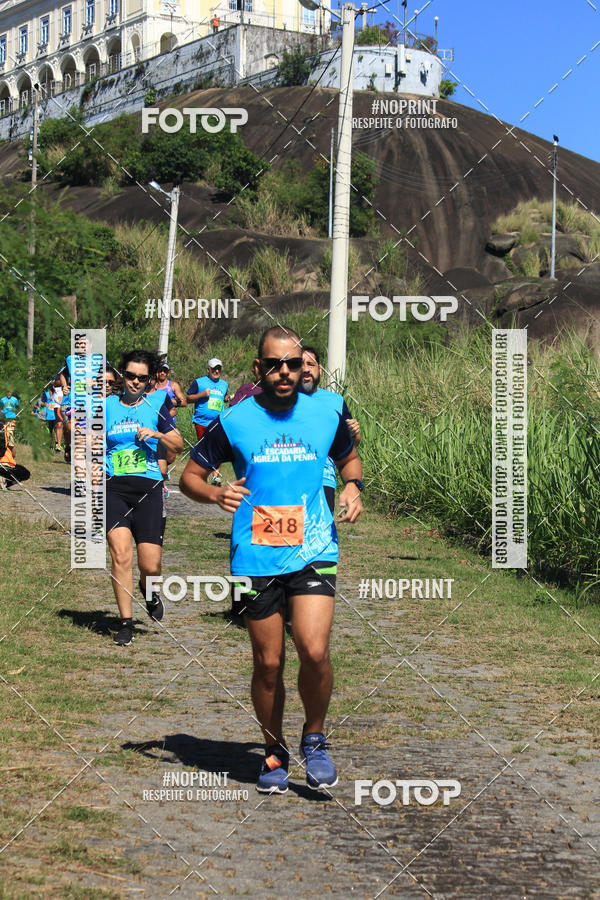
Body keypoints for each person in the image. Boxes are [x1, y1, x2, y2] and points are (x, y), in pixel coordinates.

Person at [180, 326, 364, 794]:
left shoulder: (326, 411)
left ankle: (315, 738)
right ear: (259, 369)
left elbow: (349, 457)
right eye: (274, 364)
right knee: (267, 662)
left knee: (315, 649)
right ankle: (273, 749)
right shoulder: (235, 420)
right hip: (253, 556)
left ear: (304, 365)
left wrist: (352, 486)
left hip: (315, 548)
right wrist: (215, 493)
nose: (285, 372)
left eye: (293, 362)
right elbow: (190, 478)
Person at [106, 350, 183, 646]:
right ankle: (125, 622)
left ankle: (149, 591)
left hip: (149, 488)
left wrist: (156, 434)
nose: (135, 382)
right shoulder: (106, 406)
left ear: (149, 379)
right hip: (114, 488)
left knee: (150, 566)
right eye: (130, 376)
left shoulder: (157, 404)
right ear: (122, 376)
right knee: (121, 554)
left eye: (142, 377)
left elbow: (178, 441)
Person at [300, 346, 361, 514]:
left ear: (319, 369)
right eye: (300, 364)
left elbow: (351, 445)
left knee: (320, 534)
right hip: (291, 478)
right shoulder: (284, 400)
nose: (305, 369)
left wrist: (354, 434)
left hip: (324, 479)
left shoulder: (335, 401)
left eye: (310, 364)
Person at [187, 358, 228, 486]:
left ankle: (215, 477)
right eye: (214, 368)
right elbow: (188, 398)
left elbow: (224, 397)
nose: (217, 371)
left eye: (219, 368)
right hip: (201, 422)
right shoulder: (199, 382)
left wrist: (227, 398)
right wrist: (202, 395)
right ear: (208, 370)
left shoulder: (224, 384)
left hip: (217, 422)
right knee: (204, 450)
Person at [0, 425, 30, 489]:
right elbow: (13, 452)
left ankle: (3, 482)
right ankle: (5, 483)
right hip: (4, 464)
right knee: (26, 473)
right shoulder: (7, 430)